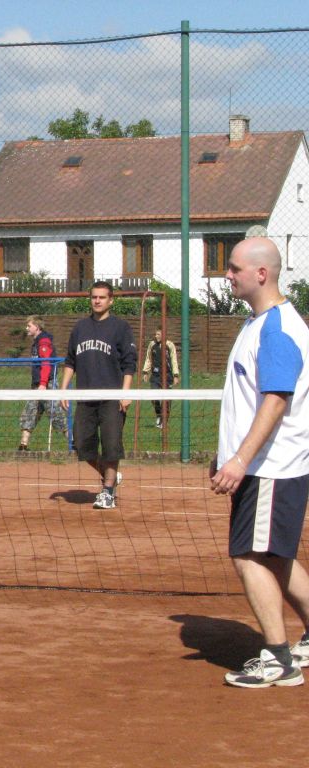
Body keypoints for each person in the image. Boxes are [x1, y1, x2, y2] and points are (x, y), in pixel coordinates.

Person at [209, 237, 309, 688]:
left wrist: (240, 459)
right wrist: (226, 454)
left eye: (234, 268)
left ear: (261, 274)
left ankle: (278, 659)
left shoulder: (277, 329)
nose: (227, 275)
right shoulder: (259, 323)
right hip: (263, 466)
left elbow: (275, 401)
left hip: (270, 467)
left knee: (248, 557)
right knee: (275, 557)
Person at [59, 280, 137, 510]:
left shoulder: (120, 328)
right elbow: (70, 361)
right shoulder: (80, 328)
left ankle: (108, 492)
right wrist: (63, 389)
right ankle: (109, 474)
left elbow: (129, 363)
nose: (97, 301)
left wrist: (125, 393)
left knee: (111, 446)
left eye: (102, 297)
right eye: (94, 297)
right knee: (81, 444)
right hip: (86, 397)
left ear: (110, 300)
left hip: (112, 397)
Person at [17, 315, 67, 451]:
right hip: (37, 384)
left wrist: (43, 384)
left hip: (46, 384)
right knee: (30, 412)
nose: (27, 328)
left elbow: (46, 364)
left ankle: (73, 443)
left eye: (29, 326)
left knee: (56, 414)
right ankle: (23, 445)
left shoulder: (44, 342)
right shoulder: (36, 343)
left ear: (37, 327)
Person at [141, 328, 180, 429]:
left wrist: (176, 375)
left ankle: (164, 421)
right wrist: (145, 372)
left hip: (167, 376)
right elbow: (148, 359)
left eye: (158, 334)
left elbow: (174, 360)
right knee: (154, 397)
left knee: (166, 400)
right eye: (156, 334)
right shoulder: (152, 344)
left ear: (164, 335)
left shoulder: (170, 345)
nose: (156, 336)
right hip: (155, 375)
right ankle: (158, 415)